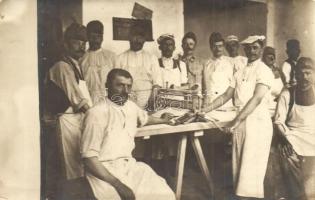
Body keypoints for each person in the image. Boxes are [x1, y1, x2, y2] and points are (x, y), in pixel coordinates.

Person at [80, 68, 176, 200]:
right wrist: (118, 185)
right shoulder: (96, 113)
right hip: (104, 173)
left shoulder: (130, 106)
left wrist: (164, 120)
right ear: (107, 86)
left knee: (165, 195)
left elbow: (145, 118)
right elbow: (89, 159)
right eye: (119, 85)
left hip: (130, 166)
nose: (125, 91)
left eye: (128, 86)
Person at [201, 35, 274, 200]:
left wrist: (236, 121)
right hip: (242, 122)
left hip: (258, 123)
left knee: (251, 175)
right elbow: (226, 95)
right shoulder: (240, 71)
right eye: (248, 48)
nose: (251, 51)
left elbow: (256, 99)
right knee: (239, 170)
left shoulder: (264, 71)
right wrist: (204, 109)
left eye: (255, 47)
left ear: (261, 49)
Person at [43, 22, 92, 199]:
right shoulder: (62, 67)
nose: (82, 46)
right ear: (66, 44)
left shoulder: (76, 65)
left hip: (78, 120)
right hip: (66, 122)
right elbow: (78, 100)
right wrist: (98, 117)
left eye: (84, 42)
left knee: (80, 166)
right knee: (71, 169)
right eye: (77, 41)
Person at [274, 57, 315, 199]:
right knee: (287, 154)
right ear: (295, 75)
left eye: (308, 73)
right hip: (293, 135)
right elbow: (279, 121)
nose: (304, 78)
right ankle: (298, 195)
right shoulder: (288, 94)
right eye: (300, 73)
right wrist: (284, 140)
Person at [114, 25, 162, 110]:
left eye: (141, 37)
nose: (137, 40)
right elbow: (116, 85)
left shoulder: (151, 58)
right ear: (129, 37)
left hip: (147, 101)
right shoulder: (120, 58)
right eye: (134, 36)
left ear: (144, 40)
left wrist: (150, 106)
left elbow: (157, 85)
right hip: (126, 102)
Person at [80, 20, 115, 104]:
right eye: (92, 37)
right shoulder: (81, 59)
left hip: (108, 101)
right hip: (88, 101)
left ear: (102, 37)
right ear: (87, 38)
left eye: (98, 36)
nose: (95, 40)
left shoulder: (111, 57)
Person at [203, 32, 234, 108]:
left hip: (226, 105)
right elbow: (205, 86)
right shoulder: (206, 64)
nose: (218, 49)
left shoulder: (231, 62)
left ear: (223, 47)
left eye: (220, 46)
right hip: (210, 105)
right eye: (215, 46)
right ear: (210, 47)